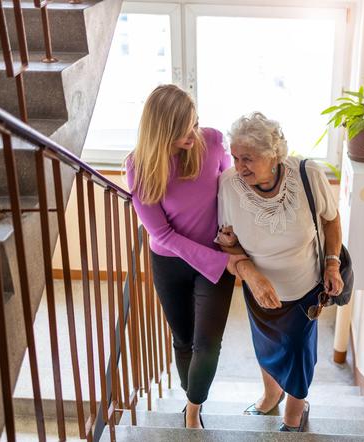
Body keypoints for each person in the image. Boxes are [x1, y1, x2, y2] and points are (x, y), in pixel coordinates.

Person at [125, 84, 247, 429]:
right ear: (162, 130)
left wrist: (230, 237)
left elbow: (230, 187)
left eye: (195, 123)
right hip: (171, 262)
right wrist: (222, 262)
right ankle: (191, 393)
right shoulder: (139, 167)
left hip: (215, 257)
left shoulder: (211, 140)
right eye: (184, 129)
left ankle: (193, 409)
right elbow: (162, 234)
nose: (193, 133)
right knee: (183, 340)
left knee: (207, 344)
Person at [216, 112, 344, 432]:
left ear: (274, 155)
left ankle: (294, 414)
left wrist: (332, 262)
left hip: (305, 287)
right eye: (235, 157)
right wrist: (250, 273)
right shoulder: (229, 184)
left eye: (248, 158)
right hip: (258, 289)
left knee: (299, 352)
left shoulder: (307, 174)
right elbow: (227, 241)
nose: (239, 165)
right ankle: (271, 394)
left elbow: (331, 220)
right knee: (268, 346)